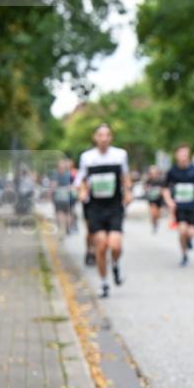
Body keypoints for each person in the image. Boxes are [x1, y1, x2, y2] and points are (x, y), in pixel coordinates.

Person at [75, 124, 131, 298]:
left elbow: (125, 177)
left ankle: (115, 264)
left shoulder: (120, 155)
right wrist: (83, 191)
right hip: (96, 208)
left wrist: (128, 192)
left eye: (107, 135)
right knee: (100, 245)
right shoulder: (87, 157)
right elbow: (80, 180)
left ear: (111, 138)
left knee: (115, 245)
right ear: (95, 137)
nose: (104, 138)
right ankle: (104, 283)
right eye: (100, 135)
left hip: (114, 206)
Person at [163, 144, 194, 267]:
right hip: (179, 206)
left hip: (193, 205)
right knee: (182, 230)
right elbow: (165, 188)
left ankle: (189, 240)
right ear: (176, 156)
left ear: (189, 155)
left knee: (191, 233)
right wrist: (169, 201)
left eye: (185, 154)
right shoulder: (172, 171)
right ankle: (184, 255)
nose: (183, 156)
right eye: (180, 154)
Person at [52, 159, 74, 236]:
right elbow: (73, 185)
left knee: (59, 212)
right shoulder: (69, 174)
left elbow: (53, 185)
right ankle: (67, 228)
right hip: (68, 196)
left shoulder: (55, 174)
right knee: (68, 213)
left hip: (58, 196)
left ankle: (62, 228)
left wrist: (50, 194)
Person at [145, 165, 165, 234]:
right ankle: (153, 223)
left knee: (157, 214)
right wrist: (147, 189)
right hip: (151, 199)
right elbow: (145, 188)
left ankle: (156, 223)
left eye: (155, 173)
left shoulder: (161, 181)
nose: (153, 174)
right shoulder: (148, 180)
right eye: (152, 173)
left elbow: (164, 189)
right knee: (153, 213)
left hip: (159, 199)